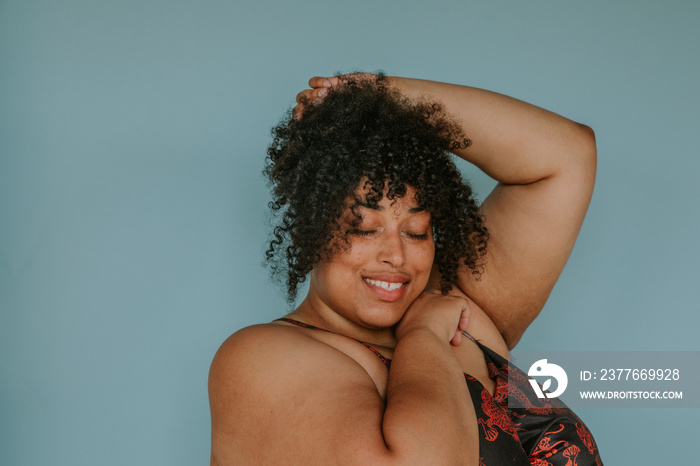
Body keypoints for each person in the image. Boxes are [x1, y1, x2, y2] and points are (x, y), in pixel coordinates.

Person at [209, 73, 602, 465]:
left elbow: (568, 155)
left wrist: (379, 96)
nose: (395, 256)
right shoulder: (261, 359)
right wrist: (424, 334)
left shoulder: (457, 305)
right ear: (312, 229)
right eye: (363, 227)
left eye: (416, 232)